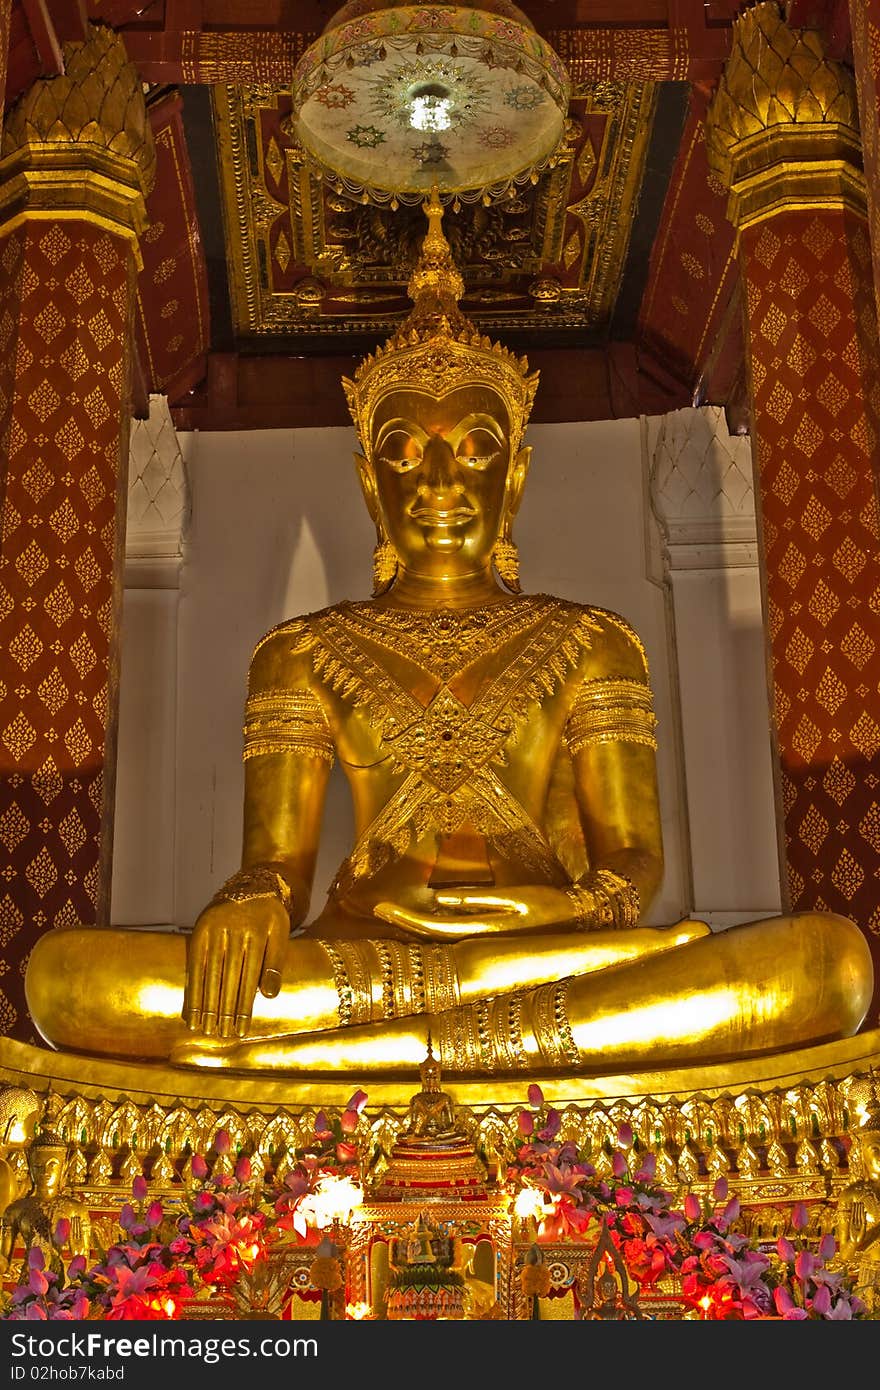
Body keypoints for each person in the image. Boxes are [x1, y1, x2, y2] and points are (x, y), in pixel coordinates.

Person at [25, 194, 872, 1077]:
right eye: (403, 451)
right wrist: (253, 900)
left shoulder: (591, 642)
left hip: (549, 956)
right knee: (71, 980)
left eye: (473, 449)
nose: (439, 480)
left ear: (516, 476)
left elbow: (631, 864)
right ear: (367, 484)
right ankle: (434, 1045)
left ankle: (374, 1061)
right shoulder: (299, 656)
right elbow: (278, 861)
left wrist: (547, 917)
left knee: (827, 965)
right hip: (359, 962)